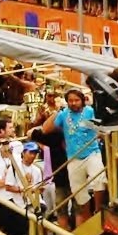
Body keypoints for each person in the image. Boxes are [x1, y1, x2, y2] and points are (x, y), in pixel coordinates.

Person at [40, 88, 107, 226]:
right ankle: (88, 217)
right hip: (74, 158)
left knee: (99, 181)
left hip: (92, 153)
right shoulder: (64, 114)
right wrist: (57, 111)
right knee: (78, 191)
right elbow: (45, 129)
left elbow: (100, 128)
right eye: (70, 100)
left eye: (76, 100)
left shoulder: (89, 111)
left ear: (82, 101)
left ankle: (99, 209)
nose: (73, 103)